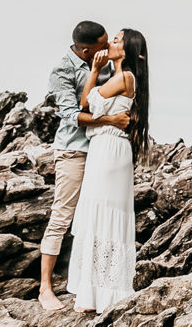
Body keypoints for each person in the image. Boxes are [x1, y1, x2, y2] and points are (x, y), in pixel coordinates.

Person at [37, 22, 127, 311]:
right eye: (102, 45)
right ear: (87, 51)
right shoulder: (62, 71)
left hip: (103, 152)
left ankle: (89, 284)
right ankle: (45, 288)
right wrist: (110, 121)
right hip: (74, 151)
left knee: (94, 218)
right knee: (63, 215)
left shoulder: (110, 66)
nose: (106, 48)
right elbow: (72, 114)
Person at [68, 28, 148, 314]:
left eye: (116, 40)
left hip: (109, 152)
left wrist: (93, 69)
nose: (110, 43)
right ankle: (95, 292)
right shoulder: (120, 77)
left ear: (127, 50)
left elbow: (85, 103)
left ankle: (103, 293)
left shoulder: (124, 77)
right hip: (105, 149)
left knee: (102, 214)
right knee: (99, 214)